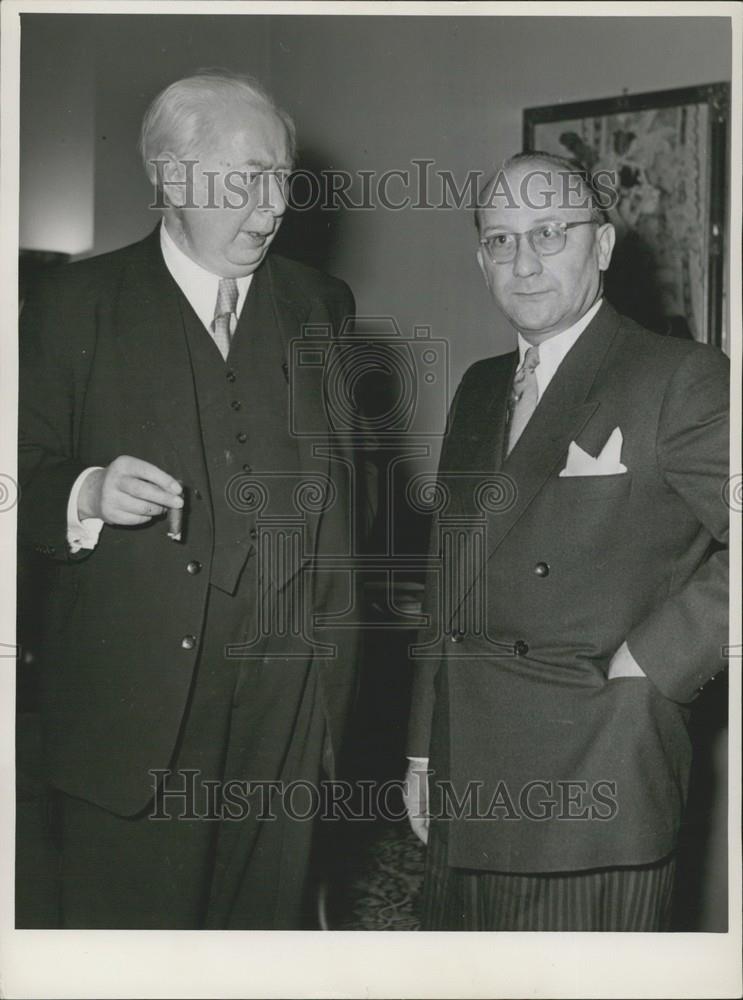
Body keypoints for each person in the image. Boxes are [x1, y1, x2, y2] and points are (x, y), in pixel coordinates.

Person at [18, 72, 366, 929]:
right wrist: (85, 490)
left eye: (283, 177)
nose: (274, 204)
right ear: (172, 180)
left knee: (263, 940)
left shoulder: (321, 306)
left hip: (287, 702)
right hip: (133, 714)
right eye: (247, 179)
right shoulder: (71, 308)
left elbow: (345, 502)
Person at [404, 151, 729, 931]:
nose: (524, 262)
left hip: (593, 772)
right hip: (468, 771)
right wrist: (422, 747)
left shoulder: (677, 376)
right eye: (501, 240)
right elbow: (450, 575)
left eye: (549, 233)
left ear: (603, 246)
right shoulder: (481, 385)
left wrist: (656, 659)